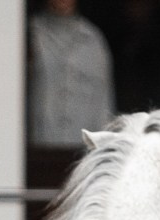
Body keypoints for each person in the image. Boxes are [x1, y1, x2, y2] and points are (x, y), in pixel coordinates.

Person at [27, 0, 114, 148]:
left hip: (82, 150)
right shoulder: (29, 34)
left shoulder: (93, 40)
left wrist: (102, 150)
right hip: (38, 149)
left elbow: (103, 104)